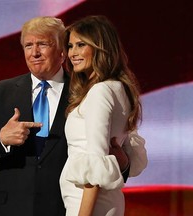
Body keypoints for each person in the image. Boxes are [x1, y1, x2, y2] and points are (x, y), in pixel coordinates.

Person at [0, 16, 147, 216]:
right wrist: (1, 138)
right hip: (11, 208)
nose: (34, 53)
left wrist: (124, 164)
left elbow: (112, 149)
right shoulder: (1, 92)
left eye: (43, 44)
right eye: (28, 45)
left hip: (64, 207)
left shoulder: (85, 91)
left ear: (62, 51)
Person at [59, 15, 147, 216]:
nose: (73, 53)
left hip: (88, 203)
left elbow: (95, 162)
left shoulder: (100, 91)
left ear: (101, 47)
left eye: (81, 45)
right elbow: (122, 155)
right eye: (71, 46)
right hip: (100, 201)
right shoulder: (119, 88)